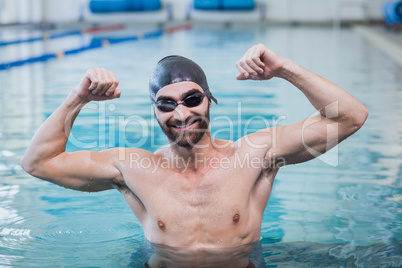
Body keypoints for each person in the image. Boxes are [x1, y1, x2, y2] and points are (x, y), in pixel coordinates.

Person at [21, 44, 368, 267]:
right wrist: (77, 97)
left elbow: (350, 116)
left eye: (191, 99)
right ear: (154, 111)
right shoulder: (132, 167)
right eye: (166, 104)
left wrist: (284, 68)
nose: (182, 114)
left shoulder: (254, 155)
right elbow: (38, 163)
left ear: (210, 99)